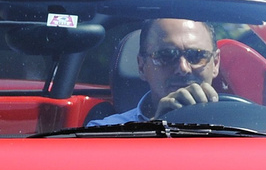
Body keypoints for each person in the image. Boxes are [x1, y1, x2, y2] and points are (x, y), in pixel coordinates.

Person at [91, 18, 222, 125]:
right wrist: (156, 129)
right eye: (166, 56)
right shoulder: (105, 134)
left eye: (196, 56)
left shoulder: (240, 126)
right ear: (142, 67)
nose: (183, 68)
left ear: (215, 63)